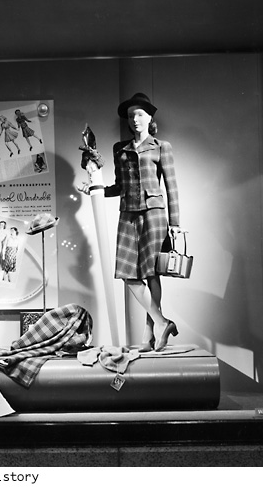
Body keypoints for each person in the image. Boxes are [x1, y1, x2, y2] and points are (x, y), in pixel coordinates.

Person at [104, 93, 181, 352]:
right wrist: (96, 189)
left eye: (139, 114)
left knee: (151, 273)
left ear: (149, 118)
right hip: (128, 213)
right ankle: (162, 322)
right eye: (131, 116)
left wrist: (175, 222)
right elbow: (119, 186)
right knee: (128, 274)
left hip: (154, 213)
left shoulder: (161, 146)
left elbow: (171, 185)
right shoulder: (120, 149)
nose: (135, 119)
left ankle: (148, 336)